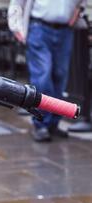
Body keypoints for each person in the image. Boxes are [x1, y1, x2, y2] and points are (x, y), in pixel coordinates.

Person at [8, 0, 86, 142]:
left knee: (60, 76)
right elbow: (17, 2)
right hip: (39, 28)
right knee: (43, 75)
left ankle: (53, 123)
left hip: (65, 31)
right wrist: (15, 26)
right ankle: (41, 124)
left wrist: (77, 14)